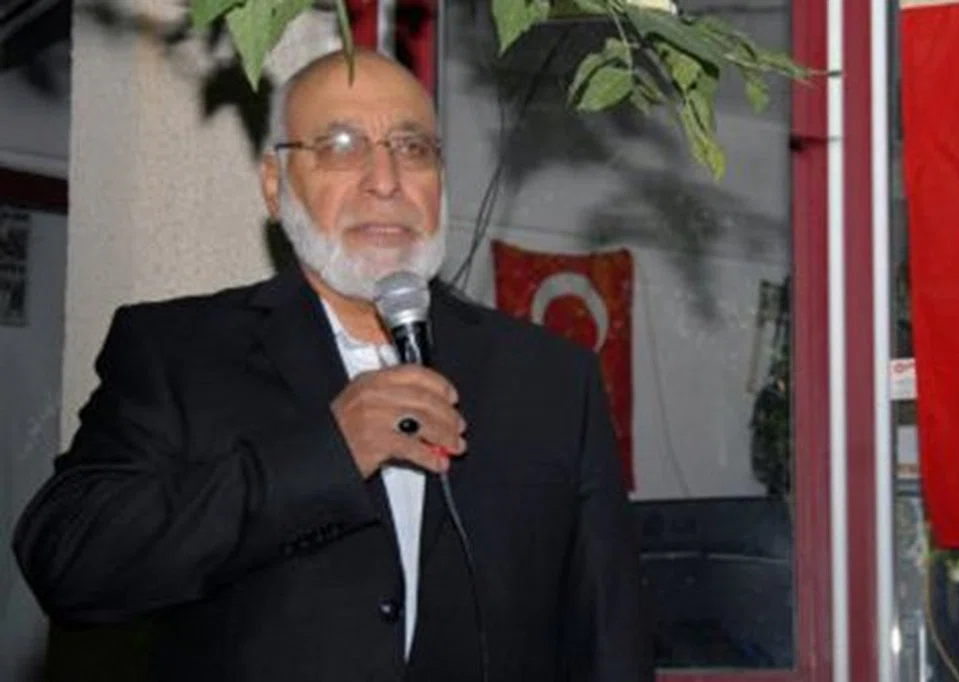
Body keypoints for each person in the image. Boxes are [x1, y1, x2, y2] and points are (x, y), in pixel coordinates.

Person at [12, 49, 653, 682]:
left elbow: (610, 642)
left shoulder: (550, 379)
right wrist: (327, 454)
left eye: (412, 148)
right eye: (342, 146)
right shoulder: (179, 351)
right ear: (276, 185)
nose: (385, 179)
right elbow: (69, 562)